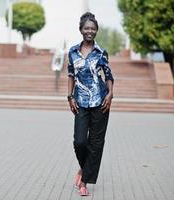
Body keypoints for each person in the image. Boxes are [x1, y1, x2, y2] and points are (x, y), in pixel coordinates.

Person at [67, 12, 114, 196]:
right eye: (86, 28)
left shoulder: (101, 52)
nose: (90, 31)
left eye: (93, 28)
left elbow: (108, 75)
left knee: (96, 144)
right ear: (81, 30)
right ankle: (83, 168)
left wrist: (110, 94)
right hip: (79, 102)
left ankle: (84, 182)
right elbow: (70, 75)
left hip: (100, 102)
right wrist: (69, 97)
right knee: (79, 141)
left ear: (96, 31)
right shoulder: (72, 52)